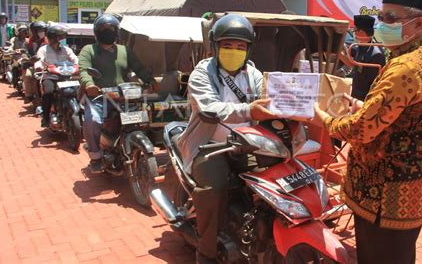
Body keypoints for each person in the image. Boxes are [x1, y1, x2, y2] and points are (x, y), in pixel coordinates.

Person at [314, 0, 422, 264]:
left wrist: (324, 119)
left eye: (390, 18)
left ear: (418, 23)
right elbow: (409, 114)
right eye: (380, 16)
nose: (380, 24)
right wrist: (365, 106)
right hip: (413, 189)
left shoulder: (406, 67)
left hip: (384, 196)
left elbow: (361, 130)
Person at [176, 14, 278, 263]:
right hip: (210, 146)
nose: (234, 51)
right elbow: (209, 109)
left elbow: (268, 98)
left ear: (248, 49)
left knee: (276, 179)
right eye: (228, 46)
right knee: (213, 190)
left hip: (248, 143)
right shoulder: (202, 73)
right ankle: (207, 252)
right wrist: (249, 110)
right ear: (216, 46)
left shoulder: (253, 74)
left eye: (240, 47)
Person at [79, 13, 158, 173]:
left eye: (112, 29)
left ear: (117, 32)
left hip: (125, 96)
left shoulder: (125, 50)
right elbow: (84, 70)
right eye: (104, 29)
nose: (108, 31)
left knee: (146, 118)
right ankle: (95, 156)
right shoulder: (89, 50)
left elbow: (139, 68)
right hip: (100, 97)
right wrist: (89, 84)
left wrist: (151, 81)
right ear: (97, 32)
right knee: (91, 120)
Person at [35, 25, 78, 127]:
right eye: (58, 37)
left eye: (61, 37)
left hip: (66, 77)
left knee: (79, 91)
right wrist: (38, 67)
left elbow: (75, 59)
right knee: (48, 92)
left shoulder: (66, 49)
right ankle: (45, 117)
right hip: (50, 77)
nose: (60, 40)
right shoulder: (43, 49)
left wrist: (79, 65)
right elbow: (39, 60)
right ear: (52, 37)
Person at [342, 15, 386, 101]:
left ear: (361, 32)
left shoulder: (376, 55)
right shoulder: (360, 46)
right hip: (356, 96)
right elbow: (355, 66)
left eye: (355, 31)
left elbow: (372, 83)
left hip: (365, 99)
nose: (354, 34)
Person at [23, 21, 48, 103]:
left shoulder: (47, 41)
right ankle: (29, 95)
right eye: (40, 31)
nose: (42, 33)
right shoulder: (28, 42)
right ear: (34, 32)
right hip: (32, 64)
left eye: (43, 30)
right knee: (28, 75)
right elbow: (24, 53)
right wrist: (28, 59)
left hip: (46, 65)